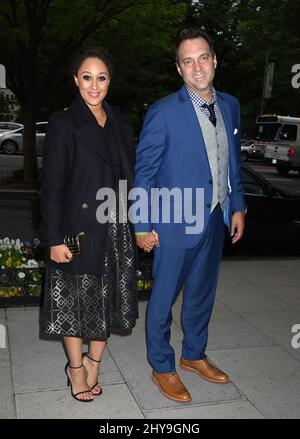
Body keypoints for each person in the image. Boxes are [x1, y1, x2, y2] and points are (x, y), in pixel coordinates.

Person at [134, 28, 246, 402]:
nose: (197, 67)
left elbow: (232, 163)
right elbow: (145, 174)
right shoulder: (163, 112)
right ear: (179, 69)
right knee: (163, 299)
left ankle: (194, 355)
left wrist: (239, 205)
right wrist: (142, 225)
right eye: (188, 61)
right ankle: (162, 366)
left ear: (214, 61)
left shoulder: (230, 105)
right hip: (173, 223)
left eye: (202, 58)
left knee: (202, 295)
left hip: (216, 218)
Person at [39, 47, 137, 402]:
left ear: (110, 81)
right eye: (87, 77)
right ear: (75, 80)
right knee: (74, 303)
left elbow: (131, 181)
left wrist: (140, 225)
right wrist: (52, 237)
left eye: (102, 77)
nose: (94, 86)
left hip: (116, 229)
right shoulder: (63, 123)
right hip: (77, 229)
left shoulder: (122, 123)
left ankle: (94, 363)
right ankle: (75, 368)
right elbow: (51, 185)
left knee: (107, 302)